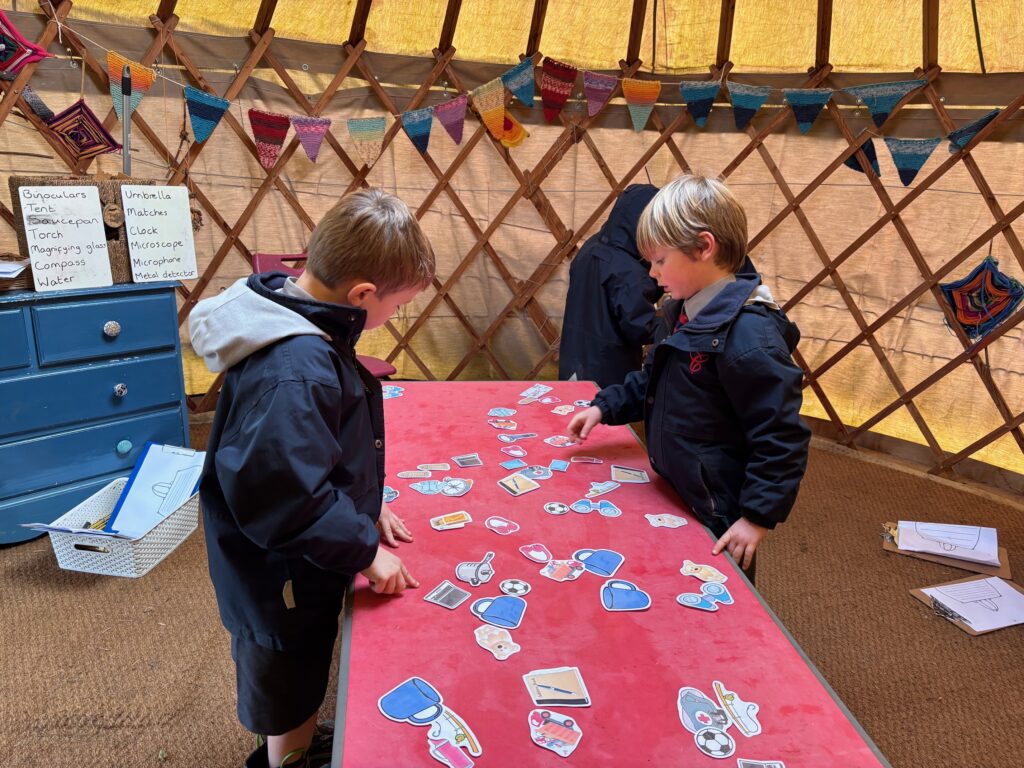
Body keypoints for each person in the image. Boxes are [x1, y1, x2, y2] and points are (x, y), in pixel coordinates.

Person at [189, 189, 435, 768]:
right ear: (363, 295)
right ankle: (286, 760)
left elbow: (314, 454)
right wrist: (363, 549)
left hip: (289, 559)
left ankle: (293, 742)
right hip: (279, 572)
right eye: (396, 306)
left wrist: (365, 505)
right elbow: (285, 497)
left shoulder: (296, 315)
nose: (393, 318)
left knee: (298, 663)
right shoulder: (297, 369)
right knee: (288, 669)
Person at [567, 174, 810, 579]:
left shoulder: (750, 338)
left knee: (723, 591)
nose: (651, 274)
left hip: (719, 508)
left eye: (660, 261)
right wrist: (604, 407)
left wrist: (757, 517)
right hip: (679, 486)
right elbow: (652, 378)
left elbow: (781, 436)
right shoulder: (680, 311)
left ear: (703, 247)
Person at [558, 183, 664, 388]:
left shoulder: (591, 247)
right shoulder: (627, 271)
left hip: (575, 356)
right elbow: (640, 327)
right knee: (603, 415)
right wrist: (677, 322)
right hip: (607, 369)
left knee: (574, 409)